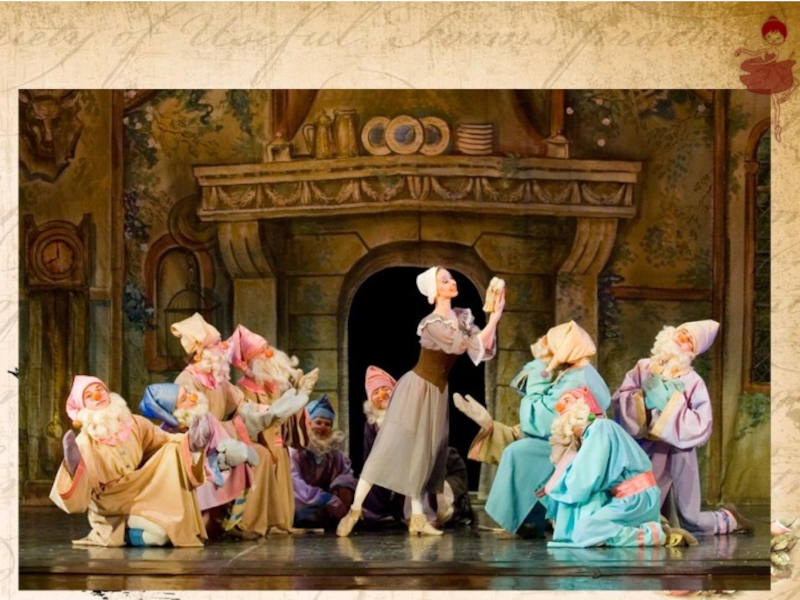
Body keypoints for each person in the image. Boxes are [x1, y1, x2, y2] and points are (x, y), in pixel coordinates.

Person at [337, 266, 504, 537]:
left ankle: (417, 517)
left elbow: (481, 347)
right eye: (444, 280)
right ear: (434, 290)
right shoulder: (432, 323)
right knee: (388, 450)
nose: (451, 282)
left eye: (451, 278)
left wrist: (495, 315)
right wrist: (492, 318)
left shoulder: (460, 317)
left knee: (425, 455)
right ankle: (355, 510)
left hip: (437, 393)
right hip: (417, 388)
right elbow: (463, 346)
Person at [455, 320, 610, 537]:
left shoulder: (577, 377)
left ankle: (522, 521)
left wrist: (538, 379)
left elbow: (541, 420)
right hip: (569, 439)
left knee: (518, 452)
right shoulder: (578, 371)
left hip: (575, 446)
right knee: (519, 446)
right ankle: (527, 521)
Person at [612, 320, 754, 536]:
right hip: (643, 447)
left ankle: (730, 519)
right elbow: (620, 398)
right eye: (682, 333)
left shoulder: (693, 381)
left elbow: (701, 424)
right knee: (639, 499)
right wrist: (641, 399)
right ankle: (655, 526)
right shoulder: (644, 367)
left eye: (689, 341)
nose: (682, 339)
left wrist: (670, 406)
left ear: (693, 352)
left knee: (689, 516)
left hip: (677, 451)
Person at [50, 376, 211, 547]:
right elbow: (78, 500)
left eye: (100, 390)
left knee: (172, 450)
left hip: (140, 491)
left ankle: (137, 526)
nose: (97, 396)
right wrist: (74, 469)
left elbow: (164, 440)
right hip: (112, 504)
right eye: (89, 396)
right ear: (83, 407)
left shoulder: (133, 423)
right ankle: (124, 534)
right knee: (160, 535)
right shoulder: (84, 442)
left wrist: (191, 444)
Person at [541, 387, 697, 548]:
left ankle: (657, 535)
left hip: (634, 498)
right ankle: (654, 529)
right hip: (630, 496)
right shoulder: (595, 432)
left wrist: (558, 488)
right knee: (584, 525)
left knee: (586, 530)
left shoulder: (599, 428)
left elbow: (585, 480)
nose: (560, 407)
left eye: (567, 401)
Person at [171, 313, 280, 538]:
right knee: (247, 455)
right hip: (201, 447)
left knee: (261, 454)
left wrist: (267, 411)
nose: (223, 347)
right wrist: (230, 430)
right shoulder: (186, 381)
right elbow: (195, 426)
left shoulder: (217, 378)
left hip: (223, 441)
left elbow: (241, 403)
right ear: (201, 352)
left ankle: (246, 522)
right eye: (216, 344)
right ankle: (221, 522)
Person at [227, 324, 318, 534]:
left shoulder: (275, 385)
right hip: (260, 445)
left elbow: (288, 418)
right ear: (252, 363)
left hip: (279, 445)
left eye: (267, 349)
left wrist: (298, 399)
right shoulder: (242, 390)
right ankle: (258, 523)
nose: (270, 355)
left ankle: (281, 524)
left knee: (282, 490)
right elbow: (249, 421)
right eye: (262, 353)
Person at [138, 382, 259, 537]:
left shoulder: (205, 416)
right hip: (189, 473)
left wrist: (225, 455)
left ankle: (230, 524)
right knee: (197, 487)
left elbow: (222, 441)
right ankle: (197, 527)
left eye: (188, 392)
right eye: (184, 399)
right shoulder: (166, 433)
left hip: (213, 463)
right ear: (173, 411)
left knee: (241, 465)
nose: (192, 397)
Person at [290, 395, 358, 529]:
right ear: (308, 424)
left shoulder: (335, 454)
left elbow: (345, 474)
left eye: (327, 424)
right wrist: (323, 498)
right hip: (302, 501)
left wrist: (339, 490)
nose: (323, 427)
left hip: (327, 503)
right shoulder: (296, 451)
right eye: (318, 422)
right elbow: (295, 483)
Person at [735, 16, 798, 141]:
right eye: (770, 37)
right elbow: (754, 53)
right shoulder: (768, 49)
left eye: (778, 38)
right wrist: (742, 50)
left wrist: (756, 63)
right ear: (765, 37)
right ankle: (777, 126)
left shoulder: (778, 51)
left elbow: (770, 60)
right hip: (770, 74)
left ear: (783, 38)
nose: (773, 40)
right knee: (775, 102)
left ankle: (778, 123)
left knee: (792, 85)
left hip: (774, 72)